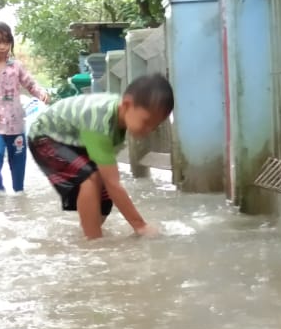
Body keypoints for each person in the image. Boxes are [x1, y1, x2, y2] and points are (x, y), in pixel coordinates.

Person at [28, 73, 174, 240]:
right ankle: (92, 243)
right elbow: (114, 183)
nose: (148, 130)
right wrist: (140, 226)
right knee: (90, 177)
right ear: (127, 105)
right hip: (44, 137)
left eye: (154, 126)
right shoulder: (99, 120)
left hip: (74, 141)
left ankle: (88, 231)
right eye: (146, 121)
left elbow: (109, 181)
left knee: (104, 198)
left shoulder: (117, 124)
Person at [0, 21, 50, 194]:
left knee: (18, 158)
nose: (3, 46)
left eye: (6, 42)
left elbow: (30, 83)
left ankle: (19, 192)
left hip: (16, 123)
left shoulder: (16, 67)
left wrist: (41, 93)